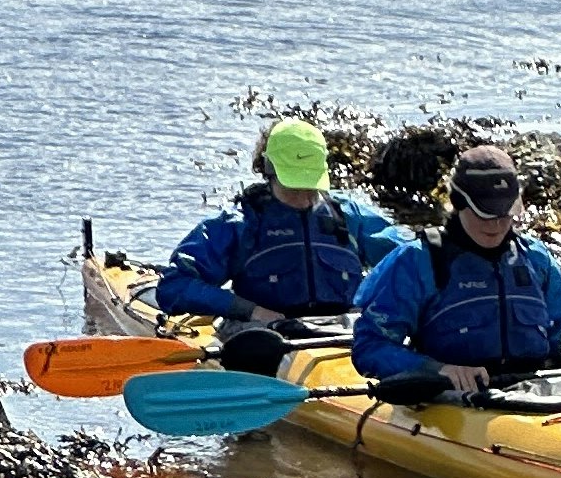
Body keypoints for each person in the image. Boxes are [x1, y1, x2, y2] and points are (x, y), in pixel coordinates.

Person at [351, 145, 561, 399]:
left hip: (532, 394)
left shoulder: (536, 258)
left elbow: (558, 335)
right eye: (485, 214)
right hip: (450, 397)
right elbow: (371, 347)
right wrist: (437, 370)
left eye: (505, 214)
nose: (497, 224)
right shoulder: (419, 260)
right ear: (458, 203)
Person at [157, 118, 403, 328]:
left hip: (341, 332)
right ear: (269, 171)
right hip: (264, 334)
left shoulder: (349, 216)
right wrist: (251, 311)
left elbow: (411, 260)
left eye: (311, 185)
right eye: (294, 186)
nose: (305, 196)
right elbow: (174, 286)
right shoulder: (240, 224)